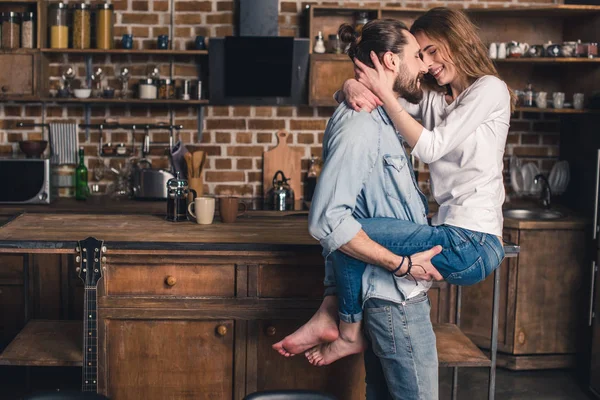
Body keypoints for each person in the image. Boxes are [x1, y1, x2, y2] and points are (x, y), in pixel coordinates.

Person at [278, 7, 514, 372]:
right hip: (448, 231)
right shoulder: (437, 100)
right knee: (347, 233)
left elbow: (431, 146)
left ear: (458, 41)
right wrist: (349, 86)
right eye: (421, 55)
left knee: (346, 232)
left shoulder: (490, 90)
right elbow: (386, 96)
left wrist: (380, 93)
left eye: (433, 51)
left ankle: (344, 325)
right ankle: (340, 320)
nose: (429, 63)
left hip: (475, 240)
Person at [273, 19, 443, 400]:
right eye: (417, 56)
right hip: (393, 297)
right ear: (390, 60)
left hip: (394, 297)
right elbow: (328, 220)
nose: (424, 66)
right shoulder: (360, 124)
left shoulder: (380, 114)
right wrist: (401, 265)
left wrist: (346, 86)